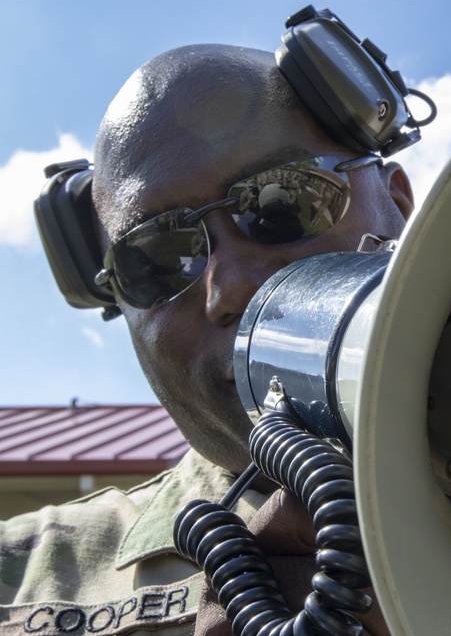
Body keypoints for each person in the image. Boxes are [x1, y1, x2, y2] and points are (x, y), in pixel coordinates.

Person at [0, 40, 412, 635]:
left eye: (282, 203)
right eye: (157, 259)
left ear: (397, 203)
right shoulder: (24, 582)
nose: (231, 290)